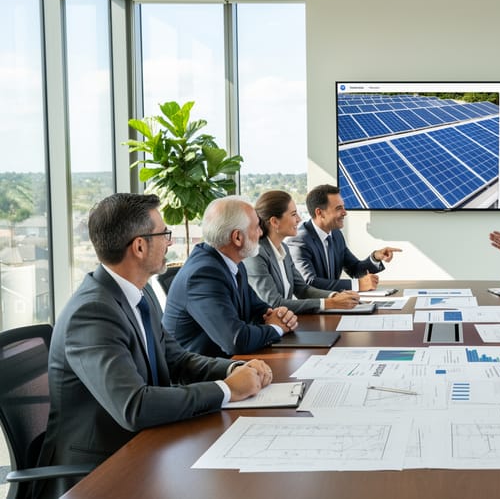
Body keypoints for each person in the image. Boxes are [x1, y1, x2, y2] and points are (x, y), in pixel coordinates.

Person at [38, 193, 271, 498]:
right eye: (164, 234)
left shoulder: (140, 294)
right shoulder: (92, 313)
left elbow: (176, 358)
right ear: (139, 246)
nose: (169, 243)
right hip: (100, 471)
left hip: (147, 446)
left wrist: (234, 368)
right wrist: (228, 390)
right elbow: (134, 406)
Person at [163, 196, 299, 357]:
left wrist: (278, 315)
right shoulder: (203, 275)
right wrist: (277, 328)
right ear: (237, 237)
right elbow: (236, 341)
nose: (261, 232)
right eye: (256, 227)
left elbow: (255, 307)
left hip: (228, 363)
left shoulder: (233, 262)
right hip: (200, 374)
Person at [246, 190, 360, 313]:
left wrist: (334, 296)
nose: (299, 219)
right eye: (293, 214)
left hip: (286, 324)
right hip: (266, 328)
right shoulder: (256, 254)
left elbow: (302, 289)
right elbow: (274, 303)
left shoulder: (284, 249)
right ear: (274, 222)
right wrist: (329, 303)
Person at [287, 184, 401, 291]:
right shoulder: (299, 240)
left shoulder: (336, 234)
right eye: (338, 208)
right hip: (314, 309)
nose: (345, 212)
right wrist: (357, 285)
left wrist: (375, 257)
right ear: (320, 213)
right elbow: (309, 282)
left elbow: (355, 269)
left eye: (343, 207)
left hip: (337, 304)